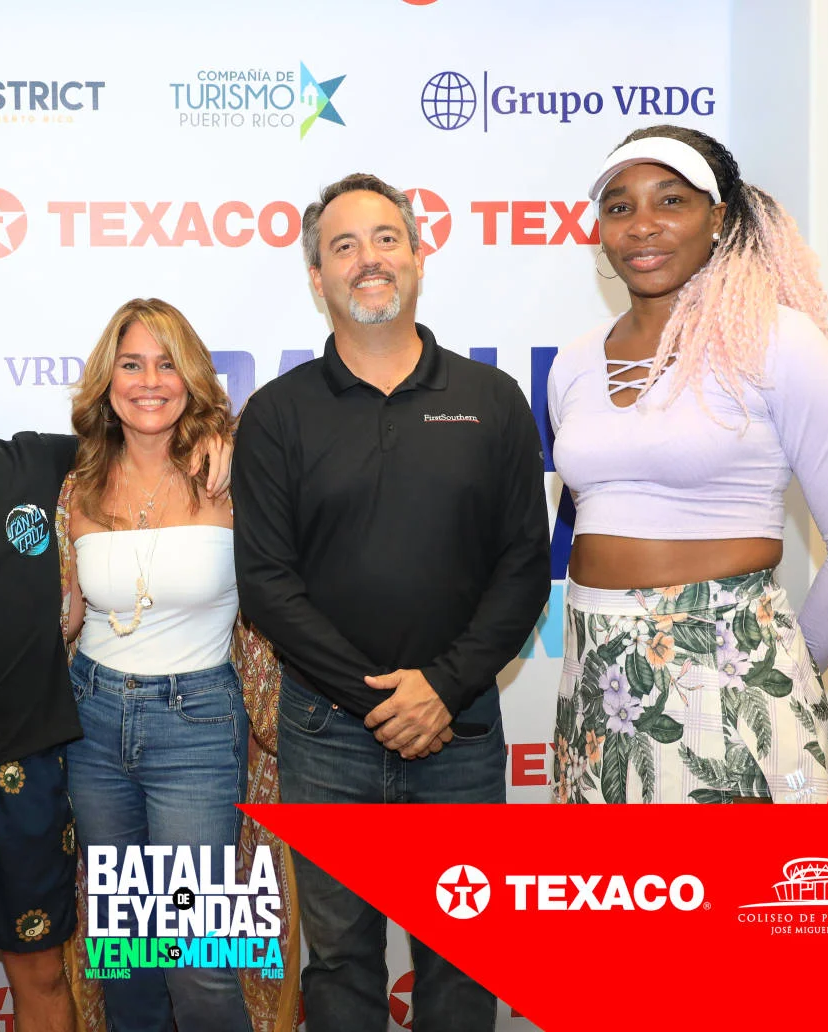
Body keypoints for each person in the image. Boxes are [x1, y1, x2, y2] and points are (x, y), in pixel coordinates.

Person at [0, 298, 232, 1032]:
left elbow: (147, 425)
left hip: (45, 765)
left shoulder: (47, 463)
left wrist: (221, 430)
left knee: (95, 963)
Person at [233, 174, 551, 1032]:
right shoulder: (277, 414)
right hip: (326, 734)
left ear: (418, 256)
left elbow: (524, 565)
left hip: (461, 729)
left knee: (462, 957)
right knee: (339, 961)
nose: (367, 259)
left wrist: (441, 688)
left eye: (385, 239)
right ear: (316, 277)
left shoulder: (491, 400)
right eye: (343, 246)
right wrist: (380, 699)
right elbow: (267, 583)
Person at [547, 126, 828, 805]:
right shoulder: (574, 362)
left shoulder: (778, 342)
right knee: (610, 877)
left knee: (734, 878)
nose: (641, 225)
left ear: (718, 217)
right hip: (597, 682)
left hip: (733, 677)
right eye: (619, 207)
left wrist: (775, 673)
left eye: (670, 201)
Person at [55, 298, 296, 1032]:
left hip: (198, 727)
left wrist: (232, 439)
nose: (149, 381)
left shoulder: (233, 475)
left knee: (200, 960)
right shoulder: (78, 485)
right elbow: (67, 614)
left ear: (192, 378)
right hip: (93, 724)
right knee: (125, 955)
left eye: (167, 365)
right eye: (131, 364)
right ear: (107, 380)